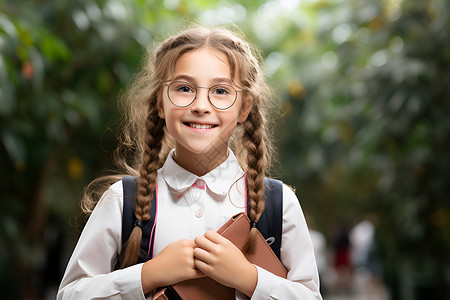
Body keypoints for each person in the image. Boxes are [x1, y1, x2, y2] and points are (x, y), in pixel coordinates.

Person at [57, 26, 321, 300]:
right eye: (184, 88)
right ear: (160, 103)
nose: (201, 105)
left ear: (244, 108)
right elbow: (70, 294)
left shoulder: (279, 204)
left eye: (220, 91)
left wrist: (249, 278)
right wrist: (147, 274)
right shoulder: (123, 200)